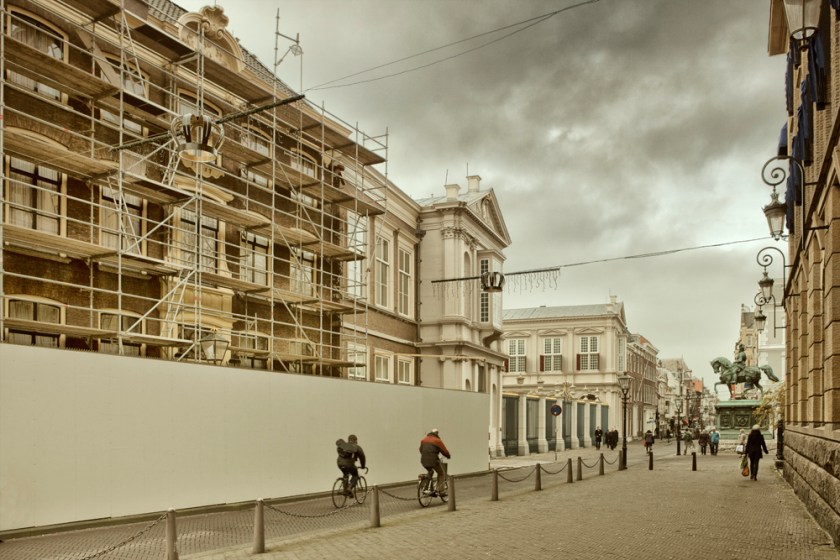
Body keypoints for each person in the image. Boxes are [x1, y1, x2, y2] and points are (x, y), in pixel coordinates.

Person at [419, 429, 451, 495]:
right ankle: (441, 491)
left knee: (430, 472)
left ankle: (427, 488)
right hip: (433, 460)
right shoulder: (437, 441)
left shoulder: (424, 440)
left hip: (423, 460)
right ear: (437, 434)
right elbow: (444, 451)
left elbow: (420, 449)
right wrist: (448, 456)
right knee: (441, 473)